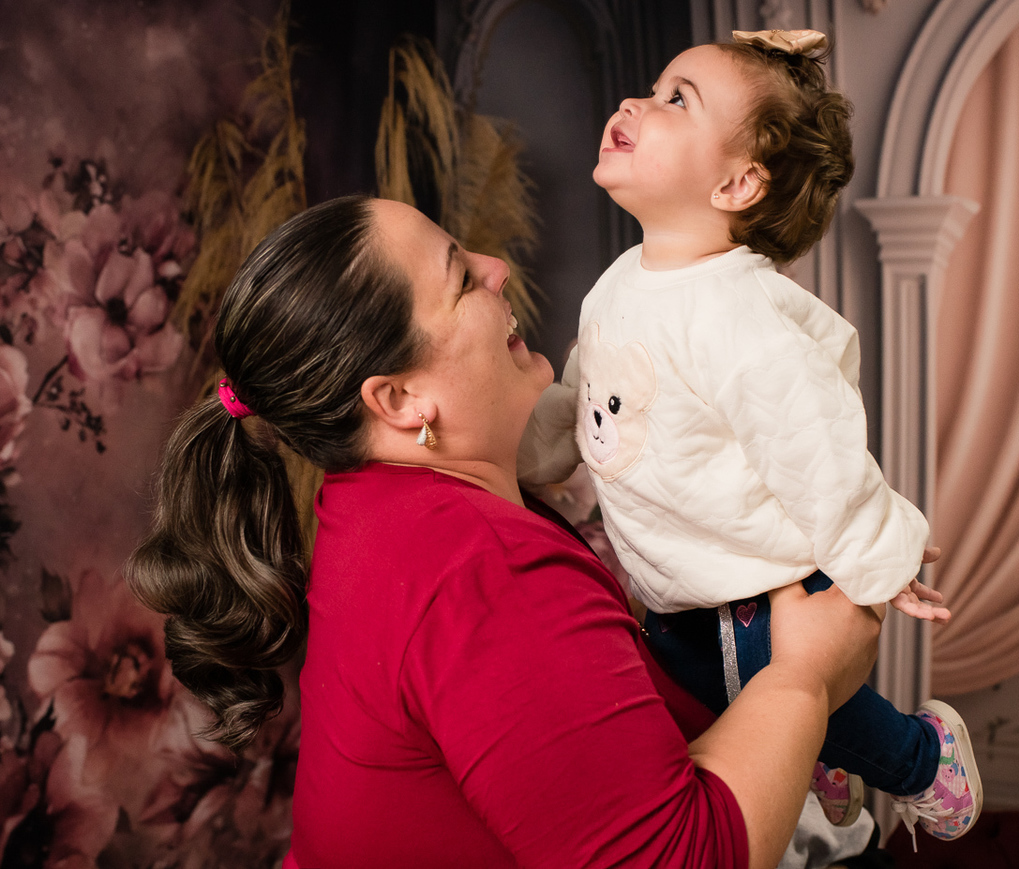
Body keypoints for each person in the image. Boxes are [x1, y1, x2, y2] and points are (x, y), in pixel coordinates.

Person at [124, 194, 887, 869]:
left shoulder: (370, 501)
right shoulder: (478, 569)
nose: (497, 269)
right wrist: (805, 673)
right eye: (461, 278)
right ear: (400, 399)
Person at [518, 30, 981, 847]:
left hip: (761, 585)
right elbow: (590, 393)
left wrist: (880, 551)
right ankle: (813, 753)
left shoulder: (740, 314)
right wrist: (535, 453)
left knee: (791, 686)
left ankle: (922, 759)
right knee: (702, 688)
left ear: (736, 183)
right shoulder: (620, 281)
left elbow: (816, 447)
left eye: (676, 99)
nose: (635, 102)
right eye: (653, 87)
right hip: (679, 584)